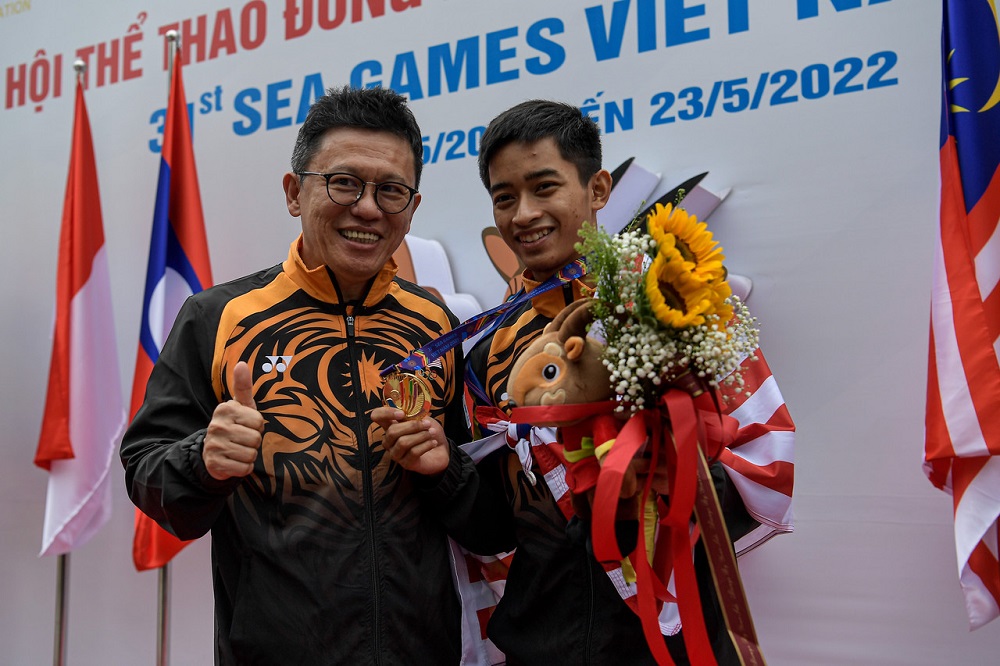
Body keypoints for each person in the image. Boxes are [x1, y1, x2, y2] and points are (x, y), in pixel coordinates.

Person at [121, 86, 480, 665]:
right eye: (344, 183)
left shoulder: (434, 324)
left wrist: (447, 470)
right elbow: (147, 473)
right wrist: (203, 459)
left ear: (412, 207)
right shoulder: (218, 317)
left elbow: (484, 517)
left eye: (391, 190)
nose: (368, 209)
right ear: (294, 192)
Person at [464, 100, 793, 665]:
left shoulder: (676, 301)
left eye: (544, 187)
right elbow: (497, 522)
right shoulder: (486, 353)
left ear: (598, 189)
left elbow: (766, 460)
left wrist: (673, 481)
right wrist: (441, 475)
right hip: (541, 645)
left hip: (673, 638)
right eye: (505, 197)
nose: (524, 213)